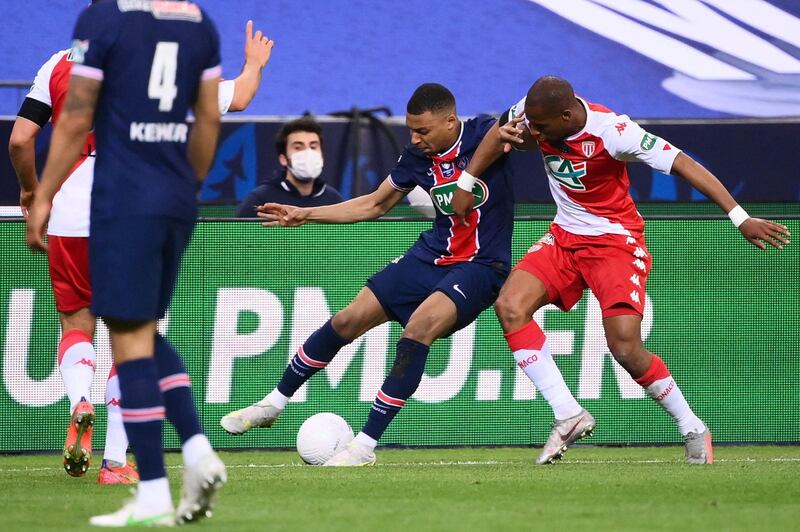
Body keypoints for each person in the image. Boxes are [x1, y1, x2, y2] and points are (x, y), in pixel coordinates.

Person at [451, 75, 791, 465]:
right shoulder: (534, 111)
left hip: (614, 243)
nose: (532, 133)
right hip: (564, 237)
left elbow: (684, 164)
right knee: (510, 306)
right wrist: (466, 179)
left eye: (541, 127)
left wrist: (739, 217)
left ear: (566, 114)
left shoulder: (615, 132)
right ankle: (568, 414)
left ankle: (692, 426)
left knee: (625, 347)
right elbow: (500, 133)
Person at [9, 15, 273, 485]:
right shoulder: (163, 63)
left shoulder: (59, 64)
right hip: (135, 206)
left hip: (70, 207)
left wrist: (32, 192)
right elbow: (238, 97)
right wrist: (253, 63)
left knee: (75, 323)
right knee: (130, 337)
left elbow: (20, 139)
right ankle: (114, 462)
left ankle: (78, 401)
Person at [220, 83, 515, 466]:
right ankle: (272, 404)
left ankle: (363, 446)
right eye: (411, 129)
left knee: (419, 328)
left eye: (422, 131)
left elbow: (528, 118)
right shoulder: (416, 156)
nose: (414, 138)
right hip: (431, 254)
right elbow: (375, 204)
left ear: (450, 121)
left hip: (482, 264)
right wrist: (305, 213)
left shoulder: (486, 134)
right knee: (347, 319)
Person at [235, 116, 343, 217]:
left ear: (322, 157)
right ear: (283, 159)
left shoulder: (334, 201)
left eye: (313, 146)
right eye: (298, 147)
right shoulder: (261, 200)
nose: (307, 153)